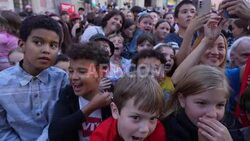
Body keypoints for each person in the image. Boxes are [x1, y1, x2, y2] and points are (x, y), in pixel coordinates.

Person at [0, 15, 68, 141]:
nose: (46, 50)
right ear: (22, 44)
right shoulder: (2, 83)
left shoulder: (61, 79)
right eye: (38, 42)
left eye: (53, 45)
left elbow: (59, 119)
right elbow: (2, 130)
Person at [49, 43, 112, 141]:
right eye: (71, 71)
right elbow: (55, 133)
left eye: (82, 72)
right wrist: (91, 107)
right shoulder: (67, 94)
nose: (73, 77)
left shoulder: (114, 97)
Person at [162, 65, 244, 141]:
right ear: (182, 100)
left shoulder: (231, 124)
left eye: (220, 105)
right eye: (201, 103)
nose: (212, 114)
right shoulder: (170, 129)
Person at [90, 75, 166, 141]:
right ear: (115, 111)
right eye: (136, 117)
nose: (145, 129)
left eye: (152, 118)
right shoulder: (101, 137)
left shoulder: (157, 130)